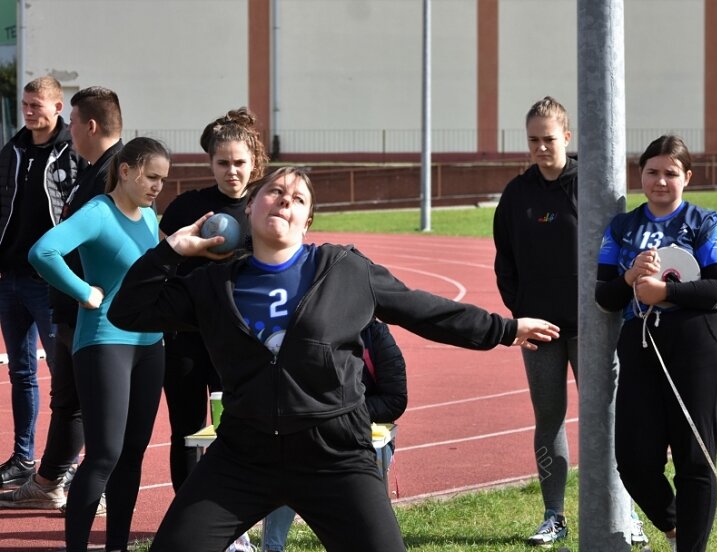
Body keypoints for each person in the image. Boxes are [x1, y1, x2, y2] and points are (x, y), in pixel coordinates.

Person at [107, 166, 560, 552]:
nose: (284, 202)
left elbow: (424, 310)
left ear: (307, 220)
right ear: (250, 207)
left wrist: (504, 329)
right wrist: (172, 251)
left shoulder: (344, 270)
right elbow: (128, 310)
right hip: (244, 455)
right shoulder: (213, 285)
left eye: (297, 198)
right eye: (274, 192)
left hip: (335, 455)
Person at [493, 96, 647, 547]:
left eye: (549, 138)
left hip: (594, 324)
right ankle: (554, 515)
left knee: (608, 417)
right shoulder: (517, 193)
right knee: (549, 418)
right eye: (533, 140)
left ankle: (626, 509)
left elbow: (618, 251)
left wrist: (611, 303)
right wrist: (520, 311)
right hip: (540, 328)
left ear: (567, 136)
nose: (541, 148)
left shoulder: (592, 187)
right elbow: (505, 262)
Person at [595, 135, 717, 552]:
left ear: (686, 177)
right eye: (652, 172)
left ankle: (690, 548)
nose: (660, 181)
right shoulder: (622, 227)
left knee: (694, 461)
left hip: (699, 348)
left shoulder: (704, 222)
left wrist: (666, 294)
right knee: (635, 462)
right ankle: (677, 530)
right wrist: (629, 277)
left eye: (670, 173)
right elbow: (604, 297)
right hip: (639, 347)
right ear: (640, 175)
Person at [28, 137, 170, 552]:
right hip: (105, 341)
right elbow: (43, 251)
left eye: (163, 179)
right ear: (125, 171)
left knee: (131, 455)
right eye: (151, 176)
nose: (157, 186)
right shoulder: (97, 212)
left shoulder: (148, 214)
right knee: (105, 454)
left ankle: (117, 547)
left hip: (151, 344)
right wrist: (83, 291)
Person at [0, 85, 123, 511]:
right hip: (52, 294)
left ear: (87, 124)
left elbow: (52, 248)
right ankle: (45, 475)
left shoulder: (112, 170)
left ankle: (91, 482)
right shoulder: (18, 151)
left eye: (70, 119)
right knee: (62, 392)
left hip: (88, 304)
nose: (67, 128)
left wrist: (83, 291)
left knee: (86, 395)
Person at [159, 107, 266, 492]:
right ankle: (185, 514)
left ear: (253, 163)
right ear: (211, 163)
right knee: (185, 431)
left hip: (238, 339)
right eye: (223, 163)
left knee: (236, 426)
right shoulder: (186, 208)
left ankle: (232, 512)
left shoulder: (265, 208)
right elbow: (160, 267)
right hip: (186, 338)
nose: (232, 171)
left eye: (239, 163)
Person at [0, 75, 85, 488]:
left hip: (51, 281)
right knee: (20, 373)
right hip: (9, 278)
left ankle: (63, 465)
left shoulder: (73, 153)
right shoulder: (12, 149)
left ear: (57, 107)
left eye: (37, 105)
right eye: (25, 104)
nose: (29, 111)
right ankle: (23, 457)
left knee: (64, 376)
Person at [260, 318, 407, 552]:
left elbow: (396, 399)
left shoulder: (375, 335)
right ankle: (272, 547)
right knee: (286, 459)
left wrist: (345, 415)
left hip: (363, 439)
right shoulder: (305, 332)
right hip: (311, 435)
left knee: (371, 462)